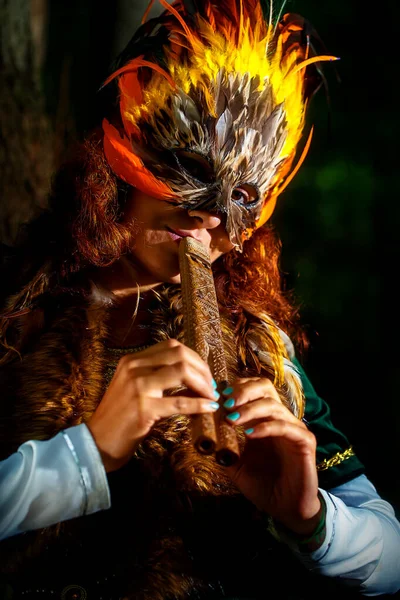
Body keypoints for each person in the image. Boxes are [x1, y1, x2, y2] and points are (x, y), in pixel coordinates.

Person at [0, 0, 399, 598]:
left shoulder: (260, 347)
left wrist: (312, 520)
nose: (209, 216)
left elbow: (390, 558)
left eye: (237, 197)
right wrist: (86, 454)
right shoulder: (12, 307)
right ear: (119, 161)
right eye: (186, 171)